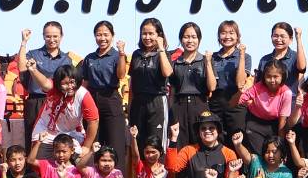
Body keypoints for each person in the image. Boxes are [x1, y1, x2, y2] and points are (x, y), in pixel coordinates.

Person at [81, 22, 129, 164]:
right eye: (99, 35)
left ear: (112, 36)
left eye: (106, 35)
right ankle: (92, 176)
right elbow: (85, 82)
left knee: (115, 143)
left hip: (111, 99)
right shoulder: (89, 58)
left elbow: (121, 75)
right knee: (93, 143)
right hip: (91, 99)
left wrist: (121, 53)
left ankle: (118, 177)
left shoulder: (117, 55)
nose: (102, 38)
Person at [19, 22, 74, 138]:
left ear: (61, 36)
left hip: (57, 102)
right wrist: (24, 42)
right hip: (36, 102)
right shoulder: (34, 54)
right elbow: (22, 68)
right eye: (48, 36)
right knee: (33, 139)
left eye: (55, 36)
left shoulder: (67, 60)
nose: (52, 40)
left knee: (57, 140)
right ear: (43, 36)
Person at [30, 65, 99, 155]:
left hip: (71, 133)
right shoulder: (53, 88)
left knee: (78, 160)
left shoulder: (83, 95)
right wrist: (33, 70)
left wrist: (86, 146)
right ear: (58, 83)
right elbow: (45, 84)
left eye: (72, 82)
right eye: (65, 83)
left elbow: (93, 121)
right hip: (45, 131)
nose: (70, 86)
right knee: (38, 161)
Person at [127, 18, 174, 150]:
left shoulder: (163, 54)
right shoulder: (136, 54)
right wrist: (130, 106)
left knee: (156, 144)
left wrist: (161, 48)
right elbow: (132, 82)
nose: (147, 37)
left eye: (151, 34)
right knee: (138, 143)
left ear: (159, 35)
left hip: (157, 102)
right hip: (138, 103)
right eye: (144, 34)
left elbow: (167, 72)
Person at [167, 22, 215, 147]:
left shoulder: (205, 60)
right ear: (181, 39)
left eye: (194, 37)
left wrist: (208, 63)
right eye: (186, 37)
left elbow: (212, 87)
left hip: (199, 105)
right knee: (179, 145)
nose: (190, 41)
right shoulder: (175, 63)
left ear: (199, 39)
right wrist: (172, 114)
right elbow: (172, 92)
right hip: (179, 106)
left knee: (200, 143)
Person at [239, 60, 294, 157]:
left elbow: (282, 122)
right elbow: (240, 100)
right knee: (259, 154)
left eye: (276, 77)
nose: (272, 80)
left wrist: (280, 144)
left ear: (282, 77)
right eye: (268, 76)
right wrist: (245, 98)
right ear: (264, 76)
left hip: (274, 124)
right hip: (255, 123)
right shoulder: (257, 87)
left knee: (273, 154)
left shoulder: (286, 93)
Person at [209, 20, 250, 142]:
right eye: (223, 33)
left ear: (238, 36)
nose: (227, 36)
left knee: (237, 137)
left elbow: (240, 83)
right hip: (216, 101)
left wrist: (241, 55)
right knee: (217, 137)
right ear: (218, 36)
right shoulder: (212, 57)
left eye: (231, 33)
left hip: (236, 100)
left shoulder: (245, 56)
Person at [258, 21, 306, 89]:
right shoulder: (264, 60)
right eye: (275, 36)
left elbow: (302, 68)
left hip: (290, 95)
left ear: (290, 39)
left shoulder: (295, 57)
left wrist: (298, 38)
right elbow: (259, 84)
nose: (278, 39)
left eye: (283, 36)